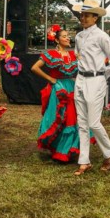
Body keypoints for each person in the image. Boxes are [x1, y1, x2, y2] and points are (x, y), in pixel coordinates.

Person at [72, 0, 110, 176]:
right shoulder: (78, 37)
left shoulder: (102, 36)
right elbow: (79, 57)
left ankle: (108, 154)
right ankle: (84, 161)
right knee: (82, 123)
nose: (83, 18)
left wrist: (102, 75)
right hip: (80, 79)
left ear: (95, 18)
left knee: (93, 122)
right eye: (82, 15)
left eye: (87, 15)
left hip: (96, 80)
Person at [31, 25, 80, 161]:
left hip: (71, 87)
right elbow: (34, 68)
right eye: (64, 36)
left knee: (72, 117)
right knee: (58, 116)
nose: (67, 38)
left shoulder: (73, 55)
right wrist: (50, 78)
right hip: (58, 88)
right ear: (57, 40)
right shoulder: (51, 54)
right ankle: (57, 148)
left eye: (68, 35)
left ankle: (67, 149)